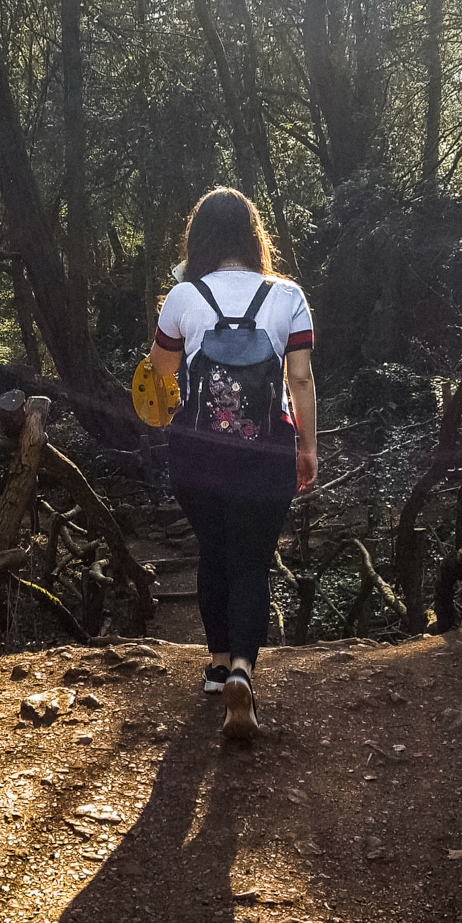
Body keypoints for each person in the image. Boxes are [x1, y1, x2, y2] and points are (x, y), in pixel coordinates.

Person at [149, 187, 317, 740]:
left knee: (214, 552)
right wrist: (308, 448)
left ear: (199, 239)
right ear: (254, 236)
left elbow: (161, 377)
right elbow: (299, 379)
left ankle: (218, 666)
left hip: (196, 452)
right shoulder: (288, 295)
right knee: (252, 560)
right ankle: (245, 669)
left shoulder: (181, 298)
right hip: (268, 451)